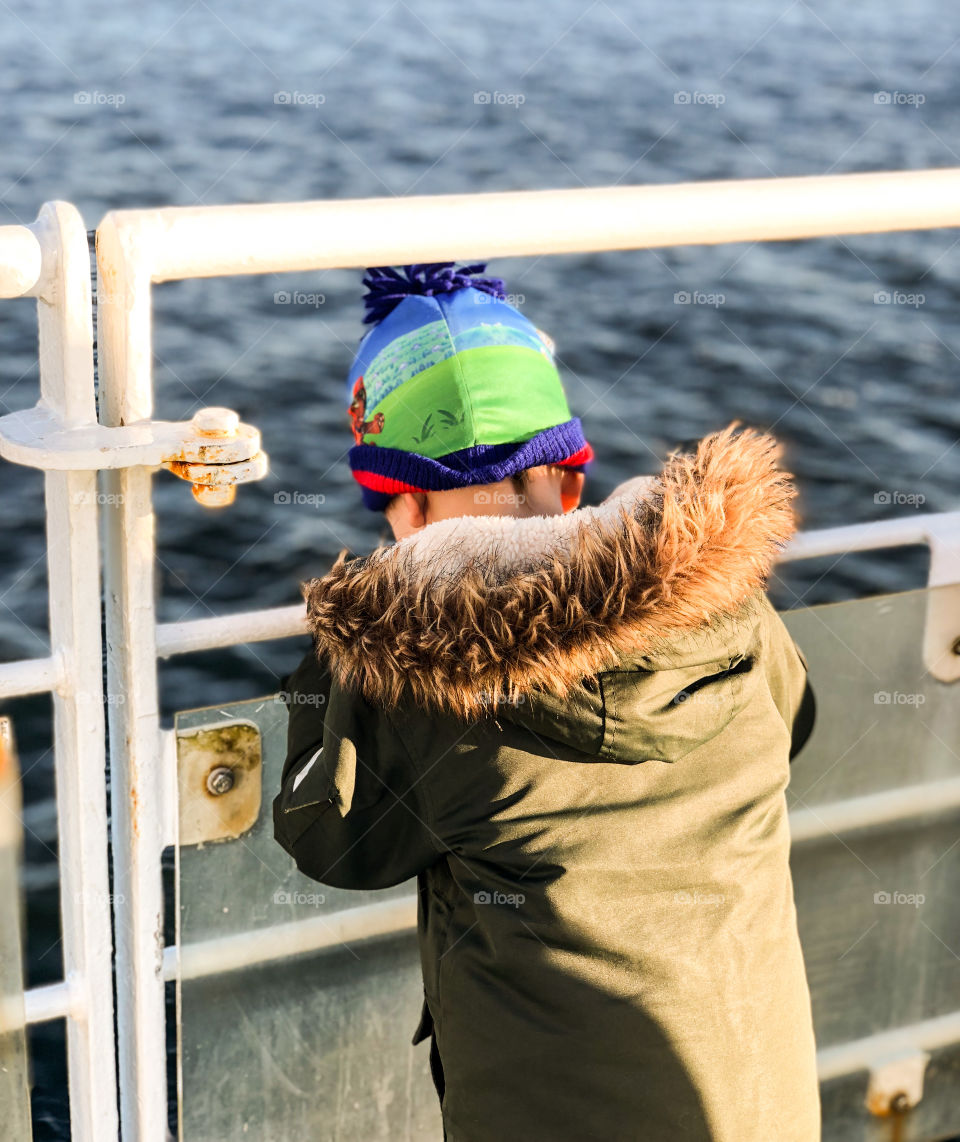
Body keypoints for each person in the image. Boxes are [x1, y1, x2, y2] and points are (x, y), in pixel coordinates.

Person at [272, 262, 821, 1141]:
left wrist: (346, 647)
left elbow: (331, 839)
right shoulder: (732, 608)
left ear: (404, 510)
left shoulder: (426, 685)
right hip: (763, 1102)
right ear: (569, 481)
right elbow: (793, 723)